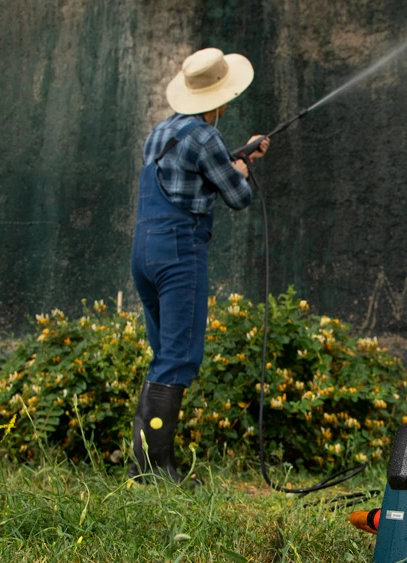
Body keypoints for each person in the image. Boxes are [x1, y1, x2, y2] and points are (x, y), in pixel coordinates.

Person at [129, 48, 270, 483]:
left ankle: (144, 465)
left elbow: (188, 174)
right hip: (179, 251)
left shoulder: (160, 132)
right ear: (221, 99)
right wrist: (243, 167)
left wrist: (235, 160)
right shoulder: (206, 138)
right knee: (178, 359)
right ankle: (156, 471)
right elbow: (238, 197)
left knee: (163, 358)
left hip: (144, 250)